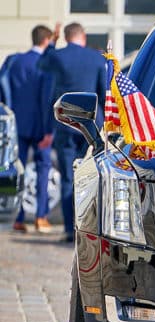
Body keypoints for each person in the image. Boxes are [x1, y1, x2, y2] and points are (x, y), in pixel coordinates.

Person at [38, 22, 107, 242]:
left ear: (66, 37)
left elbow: (41, 64)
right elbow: (103, 95)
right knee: (95, 177)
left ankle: (70, 230)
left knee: (69, 177)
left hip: (65, 124)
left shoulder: (58, 56)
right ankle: (92, 229)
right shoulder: (97, 58)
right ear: (83, 36)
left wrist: (52, 43)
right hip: (93, 127)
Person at [2, 25, 58, 233]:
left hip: (18, 125)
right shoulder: (46, 64)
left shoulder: (15, 61)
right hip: (41, 126)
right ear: (47, 40)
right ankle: (41, 217)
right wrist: (48, 130)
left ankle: (17, 217)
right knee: (43, 170)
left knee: (16, 170)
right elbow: (47, 98)